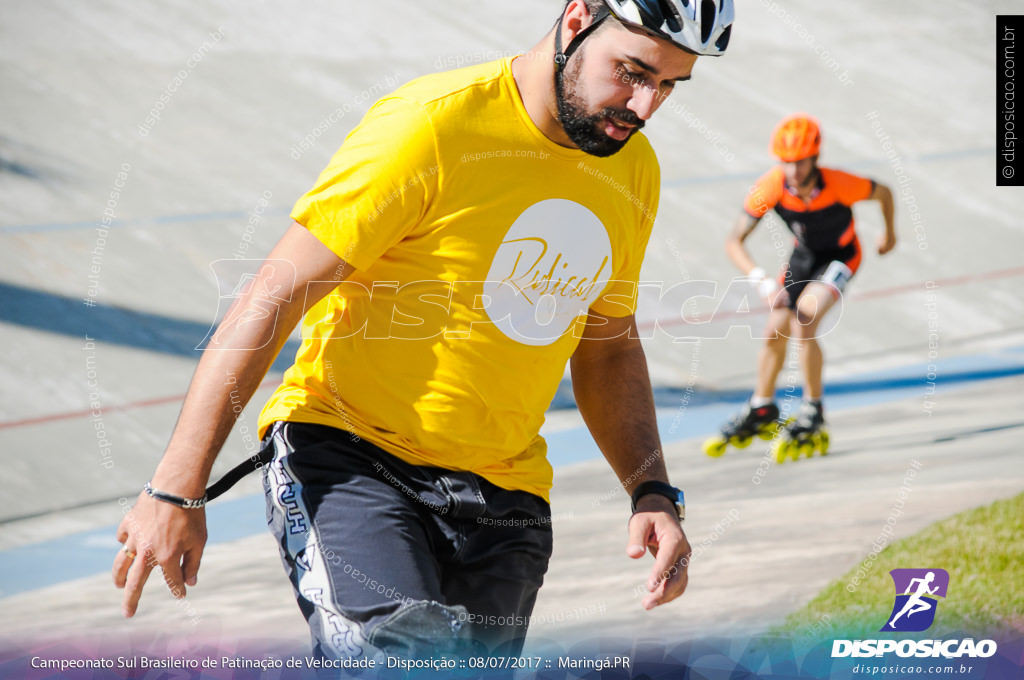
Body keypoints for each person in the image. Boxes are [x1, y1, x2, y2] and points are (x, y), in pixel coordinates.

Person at [112, 0, 734, 659]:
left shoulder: (631, 168)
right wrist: (175, 486)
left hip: (508, 497)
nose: (644, 107)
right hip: (353, 460)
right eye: (632, 72)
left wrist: (651, 488)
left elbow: (607, 345)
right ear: (577, 20)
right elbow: (274, 297)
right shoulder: (432, 125)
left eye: (668, 85)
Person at [708, 113, 896, 460]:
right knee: (775, 326)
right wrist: (761, 280)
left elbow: (884, 192)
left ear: (815, 158)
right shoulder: (772, 187)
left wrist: (889, 233)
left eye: (800, 162)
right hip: (804, 257)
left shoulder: (839, 183)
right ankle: (762, 405)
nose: (793, 170)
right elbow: (734, 241)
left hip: (842, 256)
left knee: (805, 318)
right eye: (787, 163)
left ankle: (813, 407)